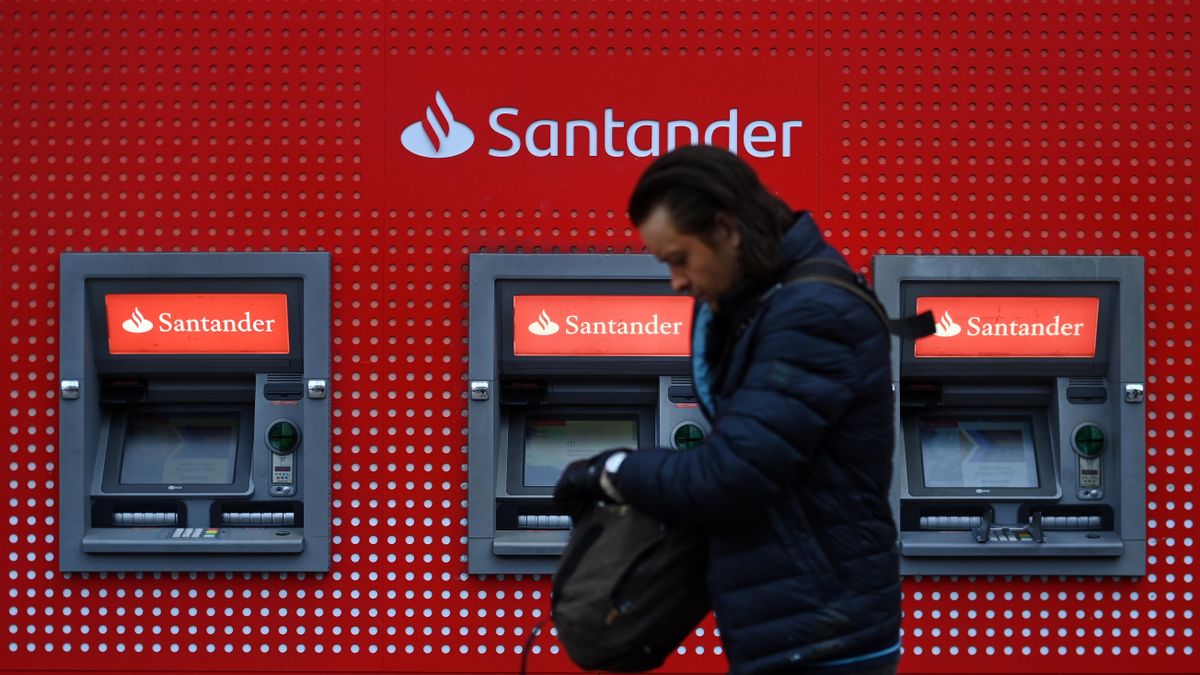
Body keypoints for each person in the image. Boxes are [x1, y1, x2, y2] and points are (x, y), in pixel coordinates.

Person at [554, 145, 902, 675]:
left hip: (824, 636)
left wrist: (613, 471)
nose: (676, 281)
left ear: (726, 230)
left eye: (679, 258)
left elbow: (730, 474)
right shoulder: (768, 304)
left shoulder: (812, 314)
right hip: (802, 623)